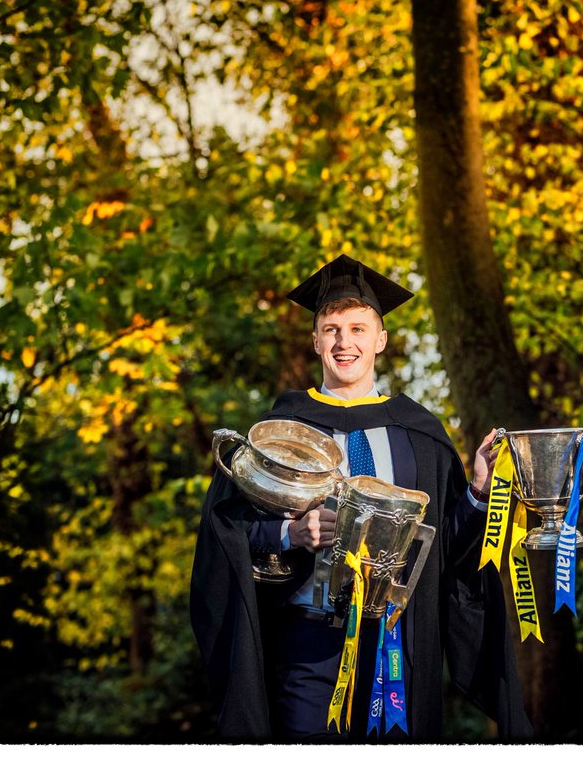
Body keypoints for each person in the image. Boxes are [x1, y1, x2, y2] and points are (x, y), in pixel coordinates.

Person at [190, 254, 531, 741]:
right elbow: (224, 532)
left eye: (357, 328)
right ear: (315, 341)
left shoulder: (419, 435)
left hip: (397, 641)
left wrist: (477, 490)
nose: (344, 342)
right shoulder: (282, 432)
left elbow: (448, 551)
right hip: (308, 642)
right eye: (331, 329)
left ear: (380, 341)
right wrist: (289, 533)